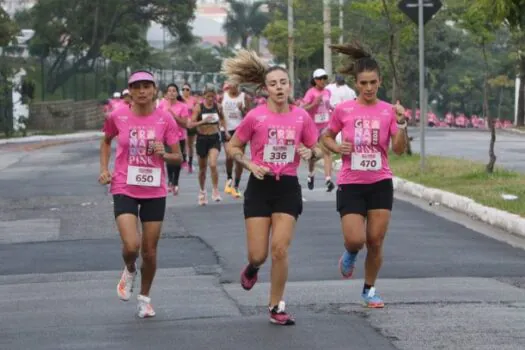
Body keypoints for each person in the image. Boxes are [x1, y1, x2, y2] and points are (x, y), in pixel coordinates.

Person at [222, 49, 322, 325]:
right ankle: (253, 267)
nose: (279, 87)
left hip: (287, 187)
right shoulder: (255, 117)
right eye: (273, 84)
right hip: (259, 186)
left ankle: (276, 306)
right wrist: (249, 164)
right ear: (265, 89)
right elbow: (233, 147)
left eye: (283, 82)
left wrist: (310, 153)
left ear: (289, 86)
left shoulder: (301, 117)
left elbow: (318, 148)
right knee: (259, 254)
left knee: (280, 249)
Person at [321, 41, 407, 308]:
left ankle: (369, 290)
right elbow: (326, 136)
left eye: (373, 82)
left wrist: (402, 123)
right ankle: (349, 252)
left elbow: (399, 149)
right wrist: (337, 146)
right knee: (356, 239)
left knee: (376, 240)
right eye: (363, 83)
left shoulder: (387, 111)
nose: (368, 88)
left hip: (380, 181)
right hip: (351, 183)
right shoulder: (344, 110)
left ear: (379, 82)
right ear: (355, 83)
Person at [98, 70, 182, 318]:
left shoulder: (165, 119)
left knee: (150, 250)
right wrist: (104, 169)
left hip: (154, 188)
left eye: (147, 86)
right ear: (130, 91)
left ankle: (145, 299)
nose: (142, 91)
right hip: (124, 185)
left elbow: (178, 156)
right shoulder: (117, 116)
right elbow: (105, 141)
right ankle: (129, 267)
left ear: (154, 90)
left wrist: (164, 154)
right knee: (132, 245)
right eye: (137, 87)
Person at [190, 84, 228, 205]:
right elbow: (191, 124)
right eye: (208, 97)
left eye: (212, 96)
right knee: (202, 169)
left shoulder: (218, 107)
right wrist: (203, 121)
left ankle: (215, 190)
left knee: (212, 164)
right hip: (201, 139)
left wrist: (225, 131)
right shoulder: (199, 107)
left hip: (214, 138)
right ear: (204, 96)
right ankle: (202, 191)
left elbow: (222, 119)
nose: (210, 99)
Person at [302, 68, 335, 192]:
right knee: (314, 155)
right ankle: (311, 175)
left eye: (325, 78)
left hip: (325, 125)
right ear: (315, 80)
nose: (323, 81)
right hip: (313, 127)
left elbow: (328, 106)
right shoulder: (310, 92)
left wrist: (334, 109)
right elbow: (303, 108)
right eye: (320, 78)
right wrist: (314, 103)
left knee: (327, 152)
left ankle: (328, 180)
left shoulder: (328, 92)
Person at [161, 83, 191, 195]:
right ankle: (170, 181)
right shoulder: (162, 105)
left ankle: (176, 182)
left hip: (179, 136)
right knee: (169, 158)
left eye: (174, 91)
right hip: (166, 136)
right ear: (166, 93)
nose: (172, 93)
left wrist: (173, 115)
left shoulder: (182, 106)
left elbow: (184, 124)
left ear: (177, 93)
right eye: (169, 91)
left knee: (178, 159)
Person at [221, 80, 248, 198]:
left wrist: (242, 109)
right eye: (230, 86)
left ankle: (236, 185)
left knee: (239, 158)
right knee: (229, 156)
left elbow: (249, 115)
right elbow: (220, 113)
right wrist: (223, 128)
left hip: (240, 130)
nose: (232, 88)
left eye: (234, 86)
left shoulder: (243, 96)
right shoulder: (224, 96)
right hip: (227, 129)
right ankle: (229, 178)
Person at [182, 83, 197, 173]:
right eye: (183, 89)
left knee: (190, 146)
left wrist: (192, 109)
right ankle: (184, 161)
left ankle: (190, 163)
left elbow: (197, 110)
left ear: (190, 90)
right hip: (183, 124)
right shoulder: (180, 99)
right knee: (185, 144)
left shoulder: (193, 100)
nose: (185, 91)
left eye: (187, 89)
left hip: (192, 124)